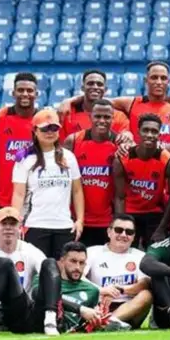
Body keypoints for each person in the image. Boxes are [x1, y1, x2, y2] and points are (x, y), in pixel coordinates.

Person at [63, 61, 170, 145]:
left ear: (168, 82)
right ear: (146, 80)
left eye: (163, 78)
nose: (158, 82)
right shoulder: (130, 103)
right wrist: (69, 101)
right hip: (139, 164)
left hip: (169, 162)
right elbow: (96, 98)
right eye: (154, 77)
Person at [0, 241, 103, 336]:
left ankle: (50, 324)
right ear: (62, 261)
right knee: (5, 262)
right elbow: (36, 293)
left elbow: (93, 320)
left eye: (82, 263)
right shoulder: (47, 277)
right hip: (29, 314)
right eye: (73, 261)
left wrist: (97, 319)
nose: (78, 267)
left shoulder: (92, 290)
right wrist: (80, 309)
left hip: (58, 323)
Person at [11, 109, 84, 258]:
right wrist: (16, 222)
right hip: (35, 225)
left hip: (64, 226)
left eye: (54, 128)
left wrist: (80, 220)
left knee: (62, 273)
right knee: (37, 273)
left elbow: (77, 191)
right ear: (35, 131)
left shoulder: (68, 157)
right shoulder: (25, 159)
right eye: (45, 128)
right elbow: (18, 194)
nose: (50, 132)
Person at [0, 207, 48, 331]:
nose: (8, 228)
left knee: (4, 263)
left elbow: (49, 271)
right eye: (4, 223)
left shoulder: (30, 250)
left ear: (20, 228)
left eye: (13, 224)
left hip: (19, 306)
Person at [65, 99, 121, 247]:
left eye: (107, 117)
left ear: (113, 118)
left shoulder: (120, 144)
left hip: (107, 222)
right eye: (97, 116)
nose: (102, 121)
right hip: (78, 221)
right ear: (90, 116)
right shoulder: (73, 141)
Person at [114, 114, 170, 248]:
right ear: (138, 132)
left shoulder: (169, 162)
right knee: (126, 257)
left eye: (154, 131)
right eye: (145, 130)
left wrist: (162, 228)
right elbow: (119, 196)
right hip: (130, 213)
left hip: (155, 215)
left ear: (160, 133)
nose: (150, 135)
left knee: (154, 259)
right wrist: (120, 224)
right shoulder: (122, 158)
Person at [83, 214, 154, 330]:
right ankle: (106, 321)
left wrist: (119, 289)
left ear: (134, 236)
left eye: (129, 232)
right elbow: (79, 277)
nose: (123, 235)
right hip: (98, 306)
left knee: (147, 295)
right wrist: (101, 290)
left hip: (129, 307)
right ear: (109, 232)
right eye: (118, 230)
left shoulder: (141, 256)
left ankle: (108, 322)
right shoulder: (92, 252)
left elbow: (143, 284)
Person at [0, 73, 39, 215]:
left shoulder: (43, 121)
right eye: (20, 90)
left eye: (29, 91)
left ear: (36, 94)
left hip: (34, 200)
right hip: (3, 197)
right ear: (13, 93)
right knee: (2, 238)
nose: (25, 94)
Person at [60, 70, 131, 136]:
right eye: (90, 83)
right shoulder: (67, 113)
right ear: (82, 88)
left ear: (105, 89)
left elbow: (126, 140)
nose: (95, 87)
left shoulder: (119, 117)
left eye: (99, 84)